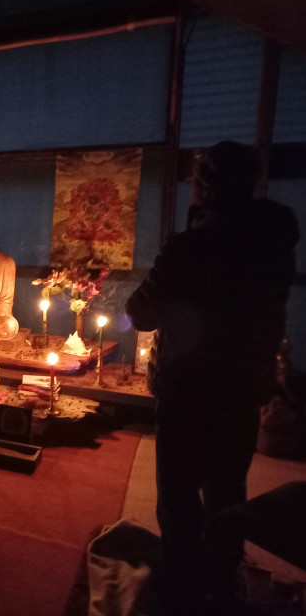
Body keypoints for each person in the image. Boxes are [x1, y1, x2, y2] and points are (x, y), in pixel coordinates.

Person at [125, 141, 299, 616]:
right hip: (243, 386)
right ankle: (220, 581)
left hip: (189, 388)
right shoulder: (276, 237)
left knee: (179, 493)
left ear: (203, 187)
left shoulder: (192, 247)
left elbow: (140, 312)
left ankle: (181, 588)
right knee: (227, 485)